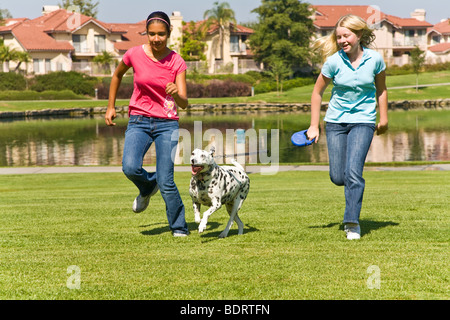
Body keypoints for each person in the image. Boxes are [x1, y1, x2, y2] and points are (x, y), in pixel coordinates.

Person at [105, 11, 189, 237]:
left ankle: (179, 227)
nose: (156, 39)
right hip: (139, 120)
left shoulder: (177, 61)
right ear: (147, 33)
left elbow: (184, 103)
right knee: (130, 167)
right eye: (152, 34)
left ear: (169, 33)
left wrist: (176, 93)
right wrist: (111, 106)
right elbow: (117, 76)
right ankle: (148, 186)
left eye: (161, 34)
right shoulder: (133, 54)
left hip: (167, 123)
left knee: (167, 180)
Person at [306, 14, 389, 240]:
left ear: (359, 35)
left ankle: (351, 221)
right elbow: (317, 93)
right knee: (337, 176)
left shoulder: (375, 60)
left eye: (346, 35)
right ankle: (349, 192)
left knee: (353, 173)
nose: (342, 40)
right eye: (339, 37)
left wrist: (383, 118)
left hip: (363, 120)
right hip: (335, 122)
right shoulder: (333, 62)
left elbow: (381, 90)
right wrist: (314, 126)